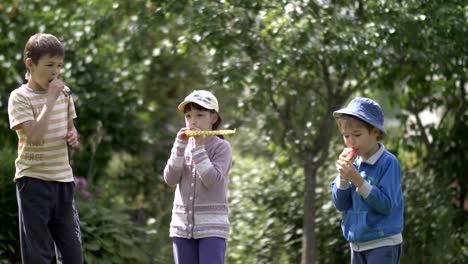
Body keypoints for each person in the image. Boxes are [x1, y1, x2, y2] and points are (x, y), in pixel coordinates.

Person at [7, 33, 83, 264]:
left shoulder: (65, 93)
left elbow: (70, 128)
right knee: (38, 255)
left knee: (73, 255)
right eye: (49, 65)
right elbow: (35, 137)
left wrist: (73, 135)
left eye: (59, 65)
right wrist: (50, 99)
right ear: (30, 63)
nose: (56, 72)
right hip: (33, 181)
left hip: (63, 181)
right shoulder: (19, 97)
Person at [331, 97, 404, 264]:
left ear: (375, 132)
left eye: (357, 134)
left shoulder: (388, 163)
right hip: (357, 244)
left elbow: (386, 205)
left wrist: (358, 181)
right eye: (346, 135)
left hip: (383, 243)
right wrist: (343, 177)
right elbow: (340, 204)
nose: (351, 141)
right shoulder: (352, 163)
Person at [163, 90, 232, 264]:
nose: (193, 121)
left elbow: (212, 180)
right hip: (181, 228)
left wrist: (199, 150)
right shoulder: (182, 147)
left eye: (200, 115)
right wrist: (179, 147)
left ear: (213, 118)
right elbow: (170, 179)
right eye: (188, 116)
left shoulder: (222, 148)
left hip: (212, 229)